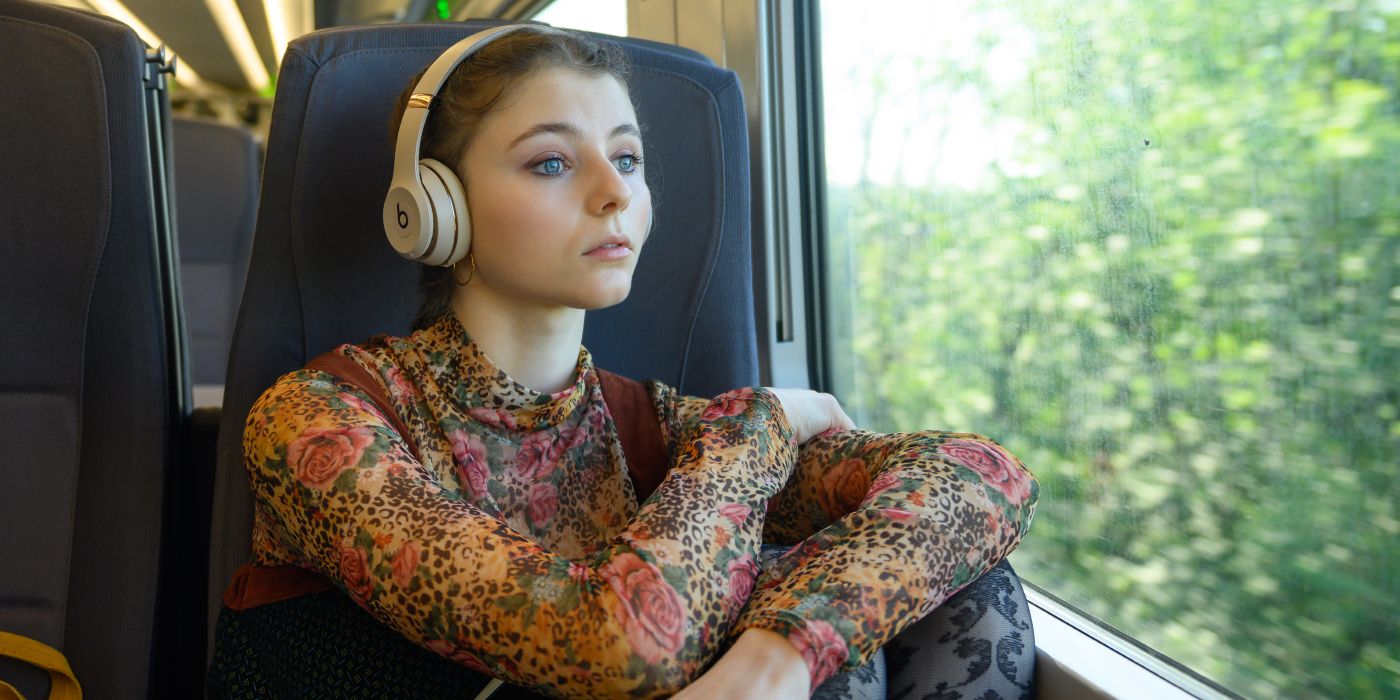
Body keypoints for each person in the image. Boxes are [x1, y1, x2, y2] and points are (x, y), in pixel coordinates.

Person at [207, 25, 1038, 700]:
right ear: (434, 209)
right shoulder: (318, 419)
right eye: (553, 162)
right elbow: (614, 645)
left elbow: (985, 477)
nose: (616, 193)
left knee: (970, 590)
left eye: (629, 159)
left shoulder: (653, 429)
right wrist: (764, 422)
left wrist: (776, 659)